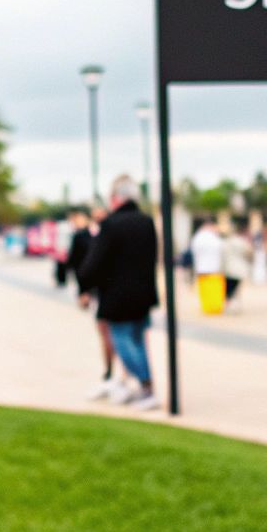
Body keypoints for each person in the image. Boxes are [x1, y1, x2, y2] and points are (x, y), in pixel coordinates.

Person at [77, 175, 161, 411]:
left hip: (118, 295)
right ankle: (145, 387)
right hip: (143, 293)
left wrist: (85, 284)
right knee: (138, 340)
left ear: (116, 198)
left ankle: (145, 384)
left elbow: (95, 262)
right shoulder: (146, 221)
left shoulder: (112, 224)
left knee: (122, 340)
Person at [67, 207, 120, 400]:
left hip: (112, 289)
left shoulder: (113, 234)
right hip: (95, 289)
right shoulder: (81, 237)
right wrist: (83, 291)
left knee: (113, 332)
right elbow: (75, 263)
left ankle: (116, 373)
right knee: (105, 331)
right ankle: (109, 371)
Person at [188, 219, 225, 314]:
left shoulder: (198, 237)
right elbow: (221, 249)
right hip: (215, 268)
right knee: (214, 289)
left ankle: (207, 307)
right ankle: (215, 307)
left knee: (205, 290)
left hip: (202, 267)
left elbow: (194, 251)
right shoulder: (214, 238)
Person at [222, 219, 253, 308]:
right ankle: (233, 303)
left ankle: (228, 302)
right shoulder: (241, 241)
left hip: (228, 269)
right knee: (235, 288)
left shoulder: (225, 242)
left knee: (228, 288)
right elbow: (249, 252)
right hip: (239, 269)